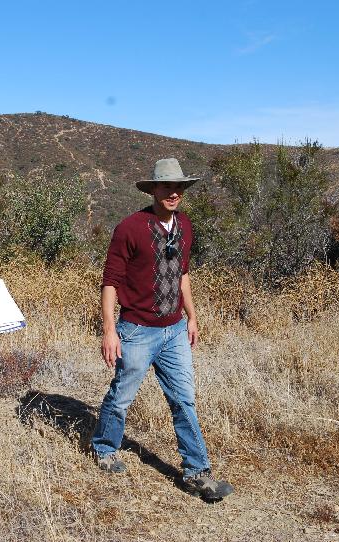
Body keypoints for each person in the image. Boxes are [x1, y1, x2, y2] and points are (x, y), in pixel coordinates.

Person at [91, 157, 234, 501]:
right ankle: (104, 447)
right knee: (122, 396)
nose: (173, 193)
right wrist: (109, 330)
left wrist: (192, 316)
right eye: (167, 186)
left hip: (174, 331)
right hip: (137, 330)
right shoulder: (130, 228)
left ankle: (197, 473)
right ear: (153, 189)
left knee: (183, 400)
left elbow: (183, 273)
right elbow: (110, 282)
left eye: (178, 187)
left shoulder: (184, 225)